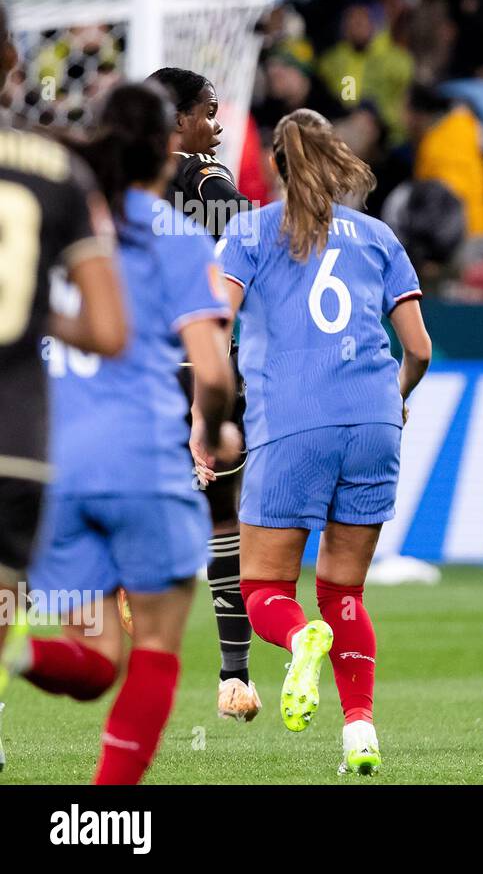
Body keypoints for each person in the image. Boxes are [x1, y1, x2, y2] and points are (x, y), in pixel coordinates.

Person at [8, 82, 235, 785]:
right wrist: (215, 428)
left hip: (55, 468)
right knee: (156, 648)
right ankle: (111, 808)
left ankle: (11, 656)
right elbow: (215, 371)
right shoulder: (176, 233)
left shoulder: (61, 211)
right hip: (142, 462)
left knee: (98, 657)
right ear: (165, 155)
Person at [217, 108, 432, 774]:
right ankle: (360, 732)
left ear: (276, 168)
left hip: (290, 424)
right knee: (345, 594)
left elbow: (212, 327)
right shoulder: (376, 236)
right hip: (373, 420)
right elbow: (420, 348)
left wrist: (210, 421)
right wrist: (390, 400)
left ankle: (299, 638)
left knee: (263, 591)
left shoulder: (249, 233)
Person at [0, 2, 128, 770]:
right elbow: (110, 332)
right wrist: (30, 313)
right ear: (13, 65)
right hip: (16, 439)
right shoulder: (58, 169)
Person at [148, 66, 262, 723]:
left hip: (129, 371)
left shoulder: (111, 186)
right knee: (225, 517)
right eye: (209, 113)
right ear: (179, 122)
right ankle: (233, 677)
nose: (217, 126)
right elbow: (249, 230)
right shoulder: (200, 175)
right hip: (199, 364)